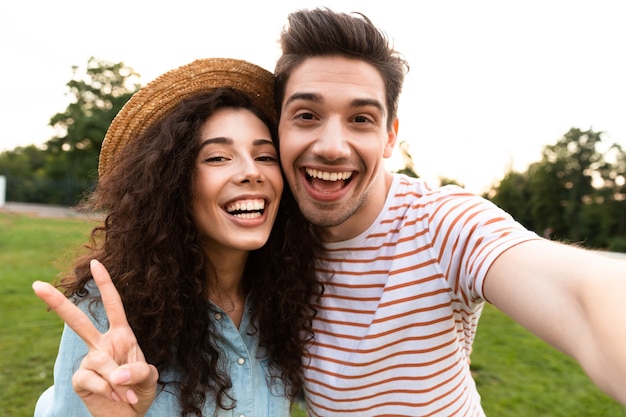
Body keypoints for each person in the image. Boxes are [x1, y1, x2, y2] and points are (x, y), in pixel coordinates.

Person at [273, 7, 626, 416]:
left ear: (390, 137)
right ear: (277, 127)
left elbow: (585, 295)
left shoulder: (441, 223)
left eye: (361, 119)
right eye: (306, 116)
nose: (332, 146)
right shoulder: (270, 235)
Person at [32, 57, 322, 417]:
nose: (251, 171)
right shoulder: (109, 308)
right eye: (217, 157)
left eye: (265, 156)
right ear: (173, 182)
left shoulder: (287, 293)